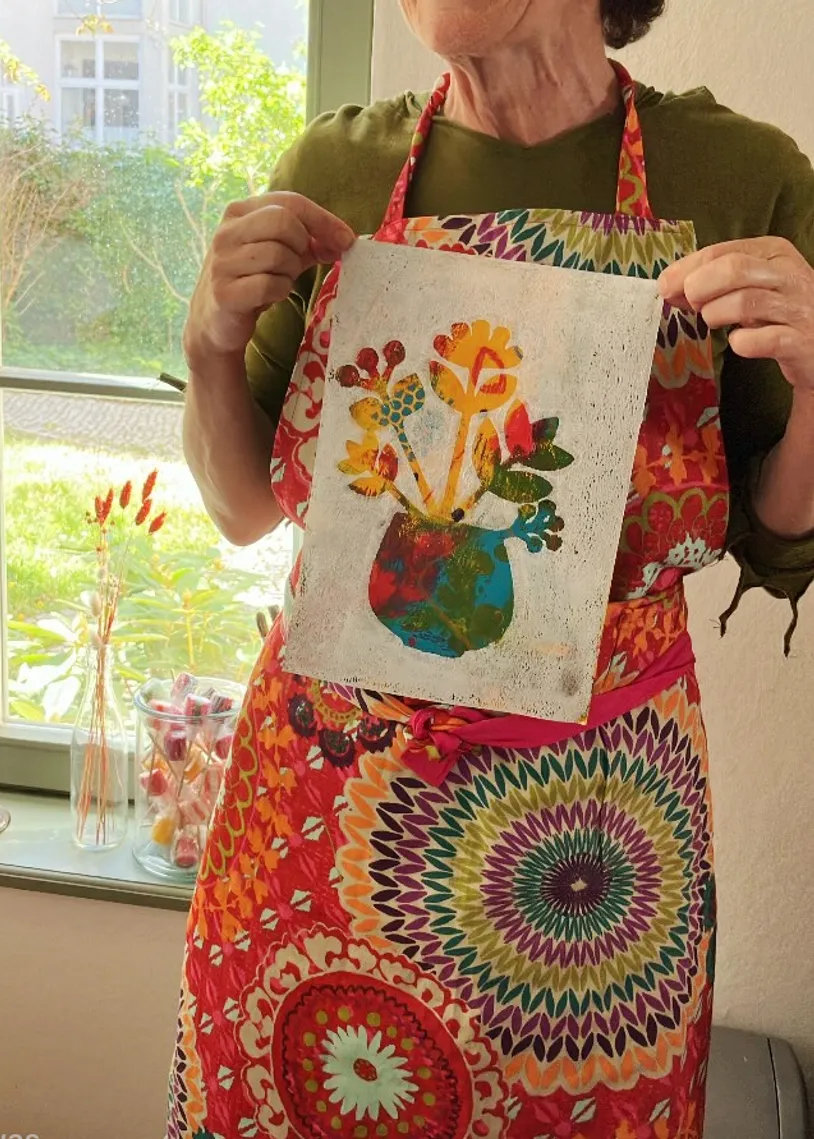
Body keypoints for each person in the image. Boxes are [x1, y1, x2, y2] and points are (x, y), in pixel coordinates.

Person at [169, 1, 814, 1135]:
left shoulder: (736, 176)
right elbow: (241, 507)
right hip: (319, 827)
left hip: (587, 858)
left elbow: (777, 528)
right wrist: (208, 345)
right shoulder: (336, 169)